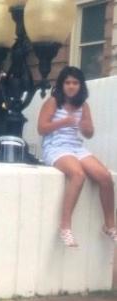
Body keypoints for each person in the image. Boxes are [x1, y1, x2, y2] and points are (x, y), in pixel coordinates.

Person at [37, 66, 116, 247]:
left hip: (76, 147)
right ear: (61, 85)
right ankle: (65, 227)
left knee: (105, 177)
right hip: (55, 147)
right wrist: (64, 121)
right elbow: (41, 128)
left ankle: (110, 225)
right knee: (78, 174)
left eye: (75, 83)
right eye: (68, 83)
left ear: (81, 86)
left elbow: (89, 134)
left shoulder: (83, 105)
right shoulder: (53, 102)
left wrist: (84, 126)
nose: (71, 86)